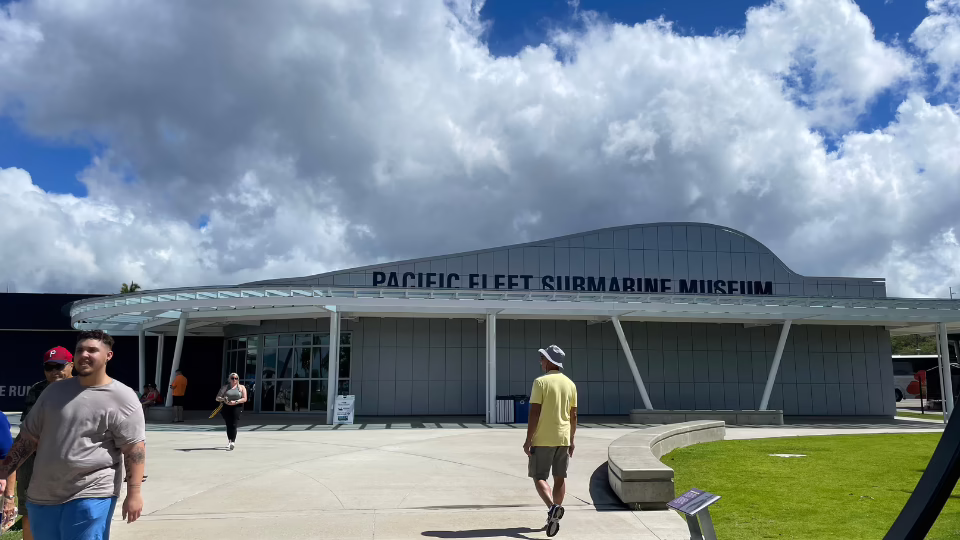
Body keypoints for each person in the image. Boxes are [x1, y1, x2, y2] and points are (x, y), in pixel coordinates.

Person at [0, 330, 147, 540]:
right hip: (43, 493)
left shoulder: (123, 397)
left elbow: (134, 448)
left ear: (108, 356)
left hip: (91, 493)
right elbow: (27, 439)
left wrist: (134, 493)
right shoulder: (52, 392)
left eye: (92, 350)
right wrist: (3, 473)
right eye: (80, 350)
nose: (84, 354)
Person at [12, 346, 74, 540]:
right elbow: (29, 425)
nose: (55, 371)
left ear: (71, 365)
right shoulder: (37, 389)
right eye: (49, 367)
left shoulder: (83, 389)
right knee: (29, 509)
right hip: (36, 458)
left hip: (71, 461)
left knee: (70, 509)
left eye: (59, 366)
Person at [523, 345, 578, 537]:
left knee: (539, 476)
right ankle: (553, 517)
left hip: (543, 437)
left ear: (549, 361)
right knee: (559, 478)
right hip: (563, 438)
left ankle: (552, 508)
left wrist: (528, 439)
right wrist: (571, 440)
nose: (540, 361)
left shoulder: (540, 382)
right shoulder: (570, 384)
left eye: (542, 358)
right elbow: (574, 415)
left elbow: (535, 413)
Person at [215, 373, 247, 451]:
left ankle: (233, 442)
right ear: (229, 379)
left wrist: (236, 401)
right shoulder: (225, 387)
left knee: (234, 424)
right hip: (226, 407)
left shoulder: (241, 387)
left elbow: (244, 398)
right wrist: (223, 399)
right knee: (228, 424)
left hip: (237, 407)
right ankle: (229, 440)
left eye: (236, 378)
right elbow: (217, 398)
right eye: (232, 378)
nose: (234, 380)